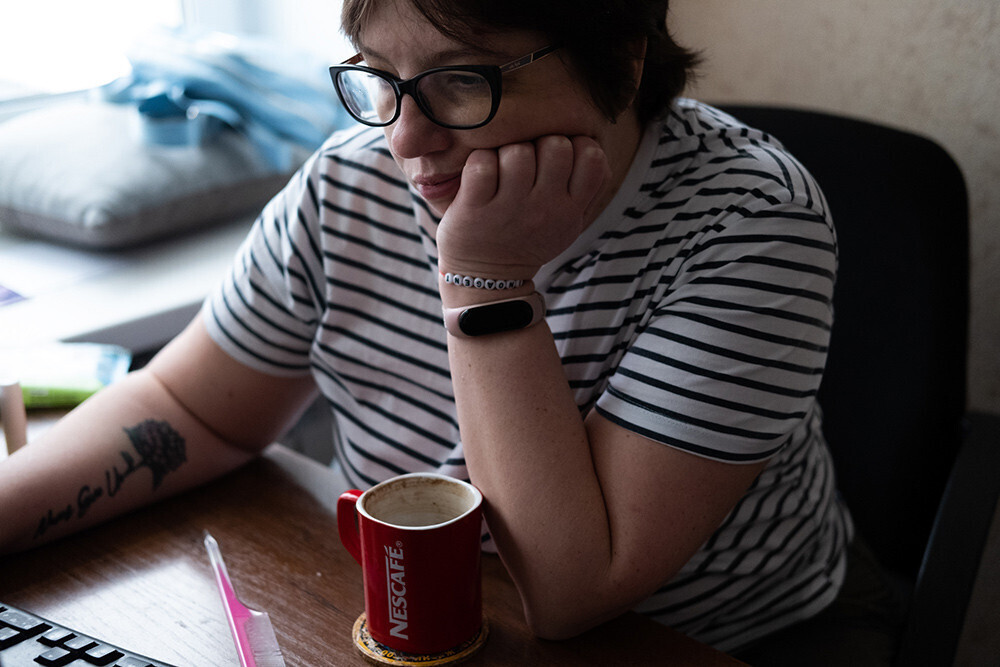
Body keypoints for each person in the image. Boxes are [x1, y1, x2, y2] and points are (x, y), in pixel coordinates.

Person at [0, 0, 894, 659]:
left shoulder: (753, 222)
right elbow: (191, 407)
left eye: (462, 80)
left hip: (721, 642)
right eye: (379, 77)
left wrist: (486, 278)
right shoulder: (348, 183)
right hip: (418, 615)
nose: (405, 142)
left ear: (622, 62)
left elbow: (574, 592)